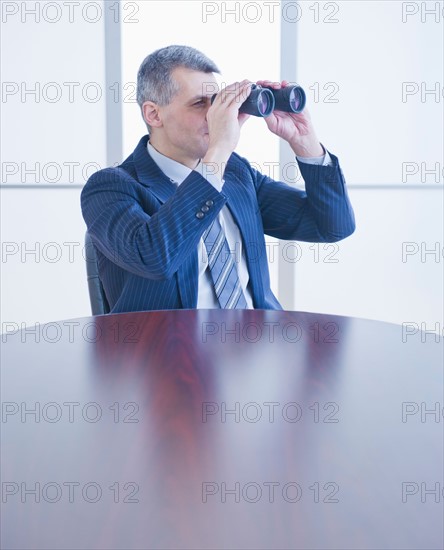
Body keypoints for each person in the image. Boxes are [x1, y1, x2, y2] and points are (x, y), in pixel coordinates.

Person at [81, 45, 355, 313]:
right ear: (154, 114)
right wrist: (219, 150)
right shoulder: (110, 188)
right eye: (199, 104)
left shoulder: (236, 173)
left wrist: (305, 142)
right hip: (168, 353)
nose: (215, 116)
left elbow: (333, 226)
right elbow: (154, 258)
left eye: (217, 102)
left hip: (260, 345)